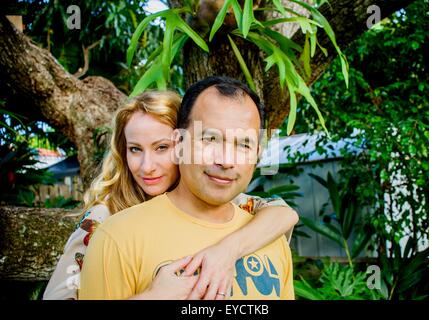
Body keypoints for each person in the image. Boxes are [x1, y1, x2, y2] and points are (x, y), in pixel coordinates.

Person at [43, 89, 298, 300]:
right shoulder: (103, 218)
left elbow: (283, 213)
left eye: (161, 147)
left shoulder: (229, 202)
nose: (147, 166)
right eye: (135, 149)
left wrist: (226, 251)